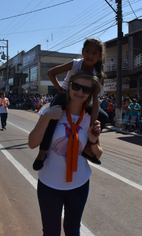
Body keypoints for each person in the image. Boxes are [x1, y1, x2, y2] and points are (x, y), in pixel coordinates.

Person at [28, 71, 103, 236]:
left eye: (86, 89)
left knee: (72, 231)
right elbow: (32, 143)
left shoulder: (90, 118)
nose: (80, 92)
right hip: (49, 184)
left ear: (90, 93)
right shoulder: (53, 110)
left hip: (79, 185)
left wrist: (92, 140)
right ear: (69, 86)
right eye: (76, 86)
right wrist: (46, 117)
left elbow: (97, 153)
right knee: (50, 232)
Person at [32, 37, 108, 171]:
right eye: (87, 51)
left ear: (100, 56)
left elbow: (95, 99)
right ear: (83, 51)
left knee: (103, 117)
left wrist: (92, 124)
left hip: (83, 98)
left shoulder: (98, 74)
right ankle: (42, 152)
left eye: (94, 53)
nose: (90, 55)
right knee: (52, 119)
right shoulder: (75, 63)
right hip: (66, 94)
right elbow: (51, 73)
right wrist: (60, 89)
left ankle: (87, 147)